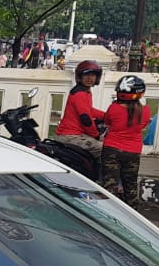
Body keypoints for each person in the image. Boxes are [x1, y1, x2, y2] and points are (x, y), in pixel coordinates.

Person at [100, 74, 150, 204]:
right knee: (131, 186)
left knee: (110, 184)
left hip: (112, 149)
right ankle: (132, 215)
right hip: (133, 152)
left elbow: (107, 121)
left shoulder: (114, 108)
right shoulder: (145, 111)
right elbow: (143, 125)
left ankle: (106, 213)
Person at [56, 60, 106, 161]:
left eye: (93, 75)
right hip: (71, 136)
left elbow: (89, 110)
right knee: (105, 149)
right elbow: (86, 119)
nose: (90, 78)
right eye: (86, 75)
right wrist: (97, 136)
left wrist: (107, 116)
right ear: (80, 77)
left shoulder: (85, 91)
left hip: (74, 134)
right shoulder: (80, 94)